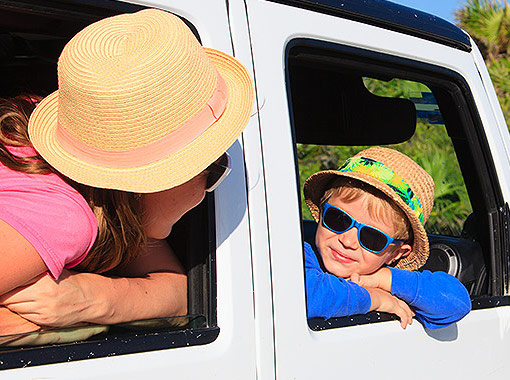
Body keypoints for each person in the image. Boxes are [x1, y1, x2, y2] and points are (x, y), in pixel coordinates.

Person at [0, 8, 254, 340]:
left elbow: (181, 293)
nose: (214, 184)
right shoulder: (62, 216)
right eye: (214, 166)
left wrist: (92, 299)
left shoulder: (104, 192)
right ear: (153, 179)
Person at [303, 146, 471, 329]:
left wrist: (383, 279)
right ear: (321, 211)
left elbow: (456, 303)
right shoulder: (301, 255)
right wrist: (376, 299)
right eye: (338, 219)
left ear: (396, 253)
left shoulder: (390, 283)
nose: (347, 241)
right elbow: (304, 295)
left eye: (372, 238)